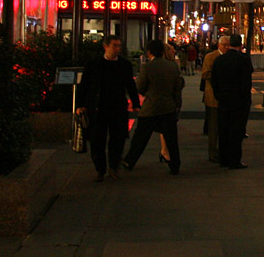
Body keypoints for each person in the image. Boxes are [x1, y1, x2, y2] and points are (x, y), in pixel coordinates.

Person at [76, 35, 140, 181]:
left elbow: (130, 85)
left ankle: (113, 167)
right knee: (97, 139)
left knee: (117, 139)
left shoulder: (124, 65)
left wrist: (135, 103)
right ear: (106, 46)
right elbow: (84, 85)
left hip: (117, 107)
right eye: (114, 45)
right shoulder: (94, 64)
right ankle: (100, 169)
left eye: (119, 46)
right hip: (98, 108)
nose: (118, 49)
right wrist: (80, 105)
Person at [123, 39, 184, 175]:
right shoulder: (173, 67)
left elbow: (139, 87)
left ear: (149, 52)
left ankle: (130, 160)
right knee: (171, 139)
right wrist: (177, 105)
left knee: (140, 137)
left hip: (151, 107)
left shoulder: (147, 67)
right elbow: (177, 89)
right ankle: (175, 164)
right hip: (168, 106)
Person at [211, 33, 254, 169]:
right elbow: (246, 81)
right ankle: (234, 160)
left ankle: (223, 159)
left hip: (224, 99)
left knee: (223, 129)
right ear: (240, 44)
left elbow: (214, 80)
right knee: (236, 131)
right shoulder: (244, 60)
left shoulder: (220, 60)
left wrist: (218, 94)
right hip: (239, 100)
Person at [200, 36, 229, 162]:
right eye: (224, 45)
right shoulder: (210, 57)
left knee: (223, 126)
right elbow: (205, 74)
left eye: (228, 45)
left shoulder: (228, 58)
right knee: (213, 127)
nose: (227, 47)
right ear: (219, 45)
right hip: (212, 97)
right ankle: (213, 153)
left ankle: (222, 151)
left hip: (225, 97)